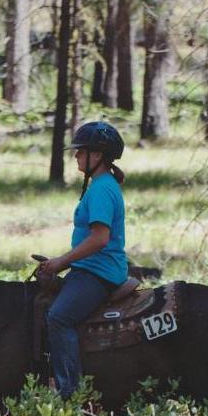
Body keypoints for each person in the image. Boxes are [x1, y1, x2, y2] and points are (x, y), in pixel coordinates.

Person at [38, 121, 128, 399]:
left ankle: (70, 392)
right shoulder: (102, 185)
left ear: (97, 156)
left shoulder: (101, 189)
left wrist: (59, 263)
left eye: (81, 151)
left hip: (98, 272)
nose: (76, 156)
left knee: (59, 318)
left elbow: (100, 238)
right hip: (89, 268)